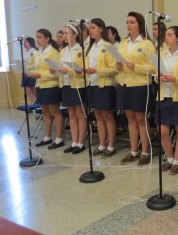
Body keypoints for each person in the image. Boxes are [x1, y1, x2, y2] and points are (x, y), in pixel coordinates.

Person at [116, 12, 156, 165]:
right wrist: (118, 66)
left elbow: (154, 68)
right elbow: (118, 63)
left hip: (140, 85)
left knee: (141, 119)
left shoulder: (147, 44)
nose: (128, 25)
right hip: (124, 84)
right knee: (130, 119)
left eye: (132, 22)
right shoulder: (124, 43)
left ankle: (145, 152)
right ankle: (133, 151)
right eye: (127, 22)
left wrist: (136, 67)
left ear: (139, 24)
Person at [156, 26, 178, 175]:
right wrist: (158, 77)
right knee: (162, 130)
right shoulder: (161, 54)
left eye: (170, 35)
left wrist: (175, 79)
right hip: (164, 94)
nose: (167, 38)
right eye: (166, 35)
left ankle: (177, 161)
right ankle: (169, 158)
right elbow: (154, 73)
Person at [26, 29, 65, 149]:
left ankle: (59, 138)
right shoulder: (39, 53)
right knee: (45, 113)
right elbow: (37, 67)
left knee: (55, 112)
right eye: (36, 37)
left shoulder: (53, 52)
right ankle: (47, 136)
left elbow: (56, 72)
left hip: (51, 85)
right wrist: (30, 72)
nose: (37, 40)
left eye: (39, 37)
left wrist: (40, 75)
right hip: (41, 85)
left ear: (47, 38)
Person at [85, 18, 118, 158]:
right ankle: (101, 144)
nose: (90, 30)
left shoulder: (108, 46)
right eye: (89, 28)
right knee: (98, 116)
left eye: (93, 27)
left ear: (101, 29)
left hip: (105, 85)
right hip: (92, 84)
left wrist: (96, 70)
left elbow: (114, 69)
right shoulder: (91, 46)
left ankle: (110, 146)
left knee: (107, 116)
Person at [55, 24, 88, 154]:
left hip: (78, 85)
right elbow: (60, 68)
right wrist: (56, 70)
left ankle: (81, 142)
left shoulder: (81, 50)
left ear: (75, 35)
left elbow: (82, 69)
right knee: (71, 114)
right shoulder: (62, 51)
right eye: (63, 33)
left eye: (67, 33)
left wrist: (67, 69)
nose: (64, 36)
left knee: (80, 114)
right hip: (67, 84)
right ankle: (74, 141)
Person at [21, 36, 38, 103]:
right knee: (27, 89)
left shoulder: (34, 51)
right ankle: (33, 103)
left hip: (33, 73)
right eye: (23, 42)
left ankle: (38, 103)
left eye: (25, 42)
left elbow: (36, 64)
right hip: (26, 73)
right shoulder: (26, 52)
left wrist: (27, 67)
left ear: (30, 43)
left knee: (33, 89)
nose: (24, 44)